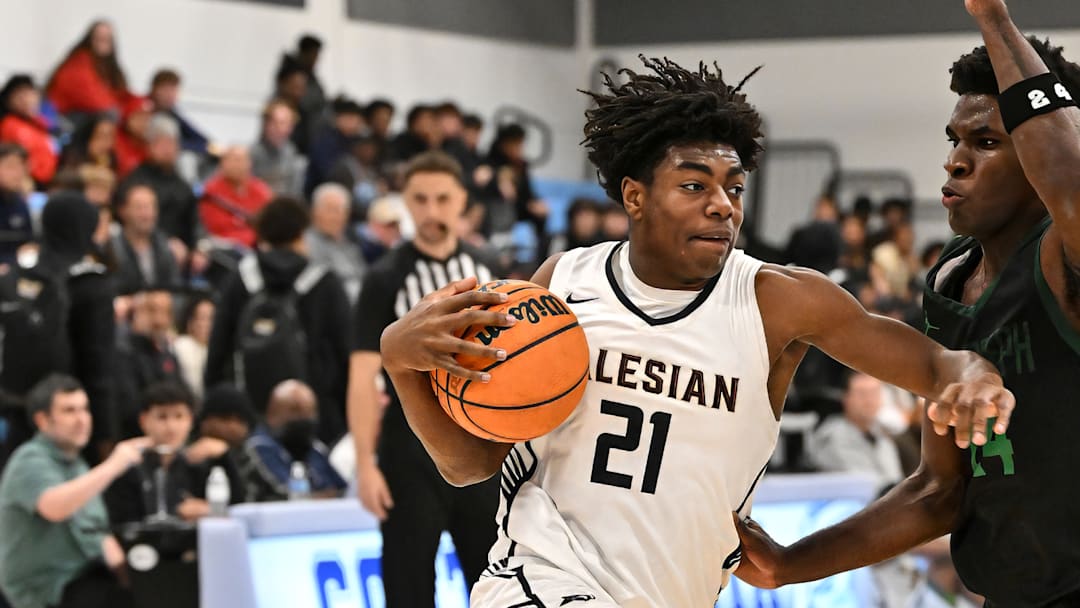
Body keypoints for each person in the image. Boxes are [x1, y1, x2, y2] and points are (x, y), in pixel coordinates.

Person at [375, 57, 1014, 608]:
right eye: (693, 184)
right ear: (634, 195)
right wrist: (402, 366)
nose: (722, 204)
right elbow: (470, 464)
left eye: (733, 188)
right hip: (534, 582)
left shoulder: (777, 300)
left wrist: (972, 376)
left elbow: (936, 367)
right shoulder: (560, 286)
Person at [734, 2, 1080, 606]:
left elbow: (1070, 182)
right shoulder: (950, 280)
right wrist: (790, 565)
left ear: (1033, 156)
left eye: (987, 141)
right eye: (954, 139)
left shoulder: (1062, 256)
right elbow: (938, 490)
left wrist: (993, 17)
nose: (955, 159)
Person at [347, 151, 500, 607]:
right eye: (420, 200)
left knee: (492, 581)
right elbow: (361, 378)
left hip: (481, 440)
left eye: (442, 199)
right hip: (408, 449)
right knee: (408, 583)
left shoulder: (491, 266)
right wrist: (364, 463)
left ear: (462, 202)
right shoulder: (383, 278)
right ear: (405, 204)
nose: (432, 211)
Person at [205, 196, 351, 444]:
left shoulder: (240, 278)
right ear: (301, 234)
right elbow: (347, 353)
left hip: (250, 417)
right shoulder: (324, 282)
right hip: (316, 418)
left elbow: (218, 350)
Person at [0, 375, 150, 608]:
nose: (82, 420)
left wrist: (132, 575)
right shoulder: (29, 459)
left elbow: (99, 532)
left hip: (85, 576)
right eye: (69, 411)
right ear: (42, 419)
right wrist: (113, 464)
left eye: (85, 409)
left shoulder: (76, 464)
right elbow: (54, 507)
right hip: (47, 587)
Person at [0, 194, 116, 459]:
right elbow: (99, 367)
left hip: (17, 411)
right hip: (72, 421)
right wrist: (105, 433)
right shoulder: (90, 280)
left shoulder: (18, 274)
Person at [105, 382, 239, 524]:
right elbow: (120, 520)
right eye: (162, 417)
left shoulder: (200, 464)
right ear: (143, 420)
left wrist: (225, 456)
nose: (171, 427)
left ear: (191, 420)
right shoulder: (129, 466)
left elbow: (238, 507)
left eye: (179, 416)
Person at [122, 114, 205, 274]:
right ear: (150, 145)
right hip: (147, 245)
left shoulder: (182, 183)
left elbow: (195, 221)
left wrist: (200, 247)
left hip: (181, 249)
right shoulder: (136, 181)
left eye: (172, 143)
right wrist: (164, 243)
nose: (168, 149)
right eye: (162, 143)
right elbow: (135, 222)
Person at [241, 380, 345, 502]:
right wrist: (324, 496)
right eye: (295, 411)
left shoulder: (316, 448)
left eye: (310, 411)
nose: (303, 418)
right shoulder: (258, 446)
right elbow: (285, 495)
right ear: (272, 414)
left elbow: (343, 491)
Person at [114, 289, 183, 439]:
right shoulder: (122, 353)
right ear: (136, 312)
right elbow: (129, 408)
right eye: (151, 310)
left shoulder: (168, 354)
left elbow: (182, 395)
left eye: (165, 312)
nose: (159, 320)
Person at [45, 20, 131, 122]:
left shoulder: (111, 70)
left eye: (107, 38)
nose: (103, 40)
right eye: (99, 37)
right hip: (60, 120)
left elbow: (122, 96)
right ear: (90, 39)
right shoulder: (79, 62)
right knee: (108, 117)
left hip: (85, 117)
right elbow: (94, 100)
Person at [109, 183, 182, 295]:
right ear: (123, 211)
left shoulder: (165, 246)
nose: (146, 214)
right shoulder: (112, 248)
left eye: (150, 207)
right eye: (139, 208)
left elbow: (175, 289)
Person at [199, 145, 272, 250]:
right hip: (222, 249)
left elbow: (269, 223)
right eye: (233, 160)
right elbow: (215, 226)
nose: (237, 165)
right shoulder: (210, 192)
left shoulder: (261, 190)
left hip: (257, 247)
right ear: (222, 163)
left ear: (249, 163)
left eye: (241, 160)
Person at [305, 183, 366, 305]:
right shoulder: (308, 243)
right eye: (330, 210)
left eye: (340, 210)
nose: (336, 217)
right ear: (315, 212)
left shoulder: (349, 245)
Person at [0, 75, 58, 187]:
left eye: (30, 94)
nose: (27, 100)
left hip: (47, 182)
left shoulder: (42, 125)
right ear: (8, 101)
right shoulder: (10, 125)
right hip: (27, 183)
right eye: (20, 96)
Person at [147, 69, 211, 156]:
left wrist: (177, 144)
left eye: (173, 90)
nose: (170, 95)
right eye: (166, 90)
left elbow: (205, 142)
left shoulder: (171, 113)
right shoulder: (143, 109)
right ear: (154, 89)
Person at [250, 99, 306, 196]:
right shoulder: (252, 154)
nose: (280, 129)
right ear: (266, 124)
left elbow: (294, 192)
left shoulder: (292, 153)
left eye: (285, 123)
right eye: (275, 123)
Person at [174, 295, 214, 400]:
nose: (207, 324)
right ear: (190, 321)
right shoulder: (182, 345)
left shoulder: (217, 350)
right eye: (202, 318)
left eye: (211, 319)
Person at [0, 144, 32, 265]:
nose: (18, 173)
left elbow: (28, 242)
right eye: (10, 167)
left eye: (21, 166)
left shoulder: (20, 203)